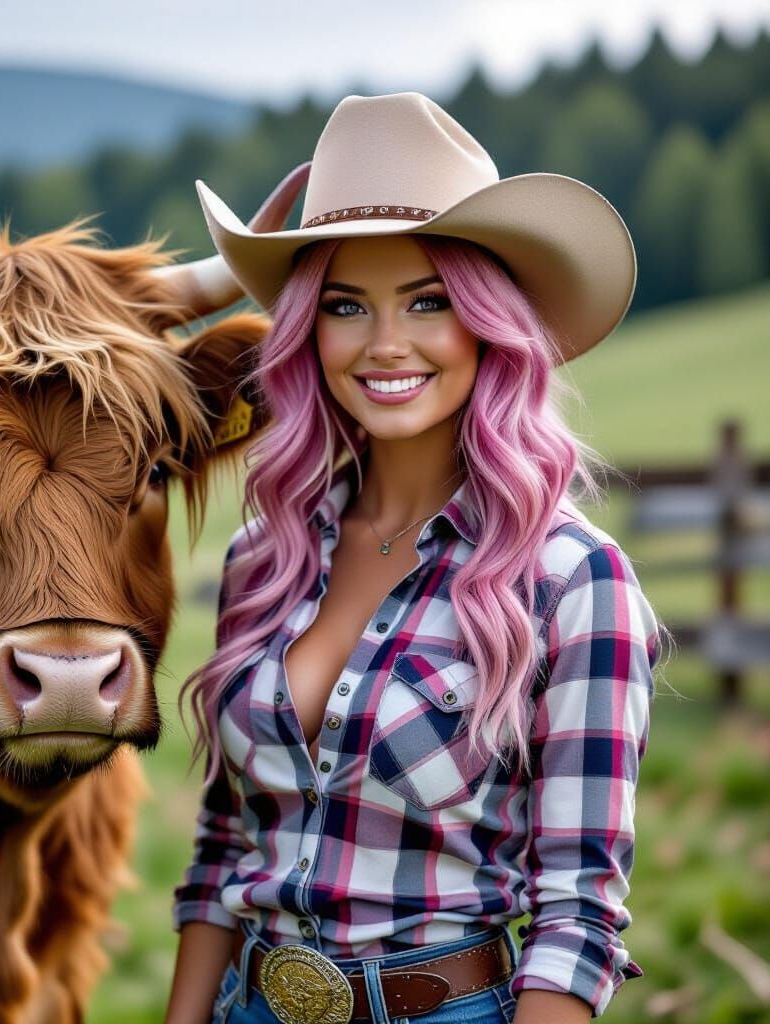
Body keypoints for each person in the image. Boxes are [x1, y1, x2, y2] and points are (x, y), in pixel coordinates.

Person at [164, 93, 662, 1024]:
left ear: (489, 322)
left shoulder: (572, 581)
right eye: (347, 305)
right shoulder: (262, 560)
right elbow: (225, 849)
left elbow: (579, 913)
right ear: (308, 330)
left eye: (428, 301)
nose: (385, 344)